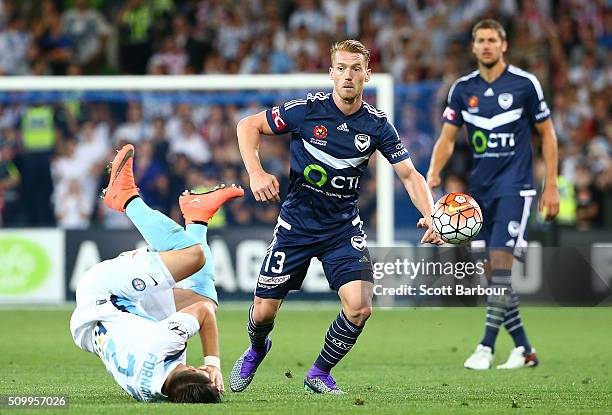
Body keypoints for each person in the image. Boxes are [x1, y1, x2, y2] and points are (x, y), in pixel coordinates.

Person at [231, 39, 442, 394]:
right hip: (295, 226)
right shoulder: (306, 110)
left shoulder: (376, 125)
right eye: (341, 68)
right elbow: (247, 126)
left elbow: (409, 174)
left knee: (360, 306)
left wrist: (431, 215)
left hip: (341, 228)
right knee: (264, 312)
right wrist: (256, 172)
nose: (348, 75)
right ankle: (256, 348)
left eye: (356, 69)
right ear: (331, 73)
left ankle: (319, 373)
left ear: (367, 75)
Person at [426, 19, 560, 370]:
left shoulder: (524, 85)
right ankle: (525, 350)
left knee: (499, 269)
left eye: (492, 40)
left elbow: (547, 135)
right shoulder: (462, 89)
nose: (486, 46)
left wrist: (552, 186)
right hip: (478, 196)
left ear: (503, 45)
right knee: (491, 274)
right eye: (480, 40)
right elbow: (447, 138)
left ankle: (485, 347)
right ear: (473, 47)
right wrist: (434, 172)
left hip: (516, 189)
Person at [70, 144, 244, 402]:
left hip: (104, 293)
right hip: (101, 325)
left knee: (192, 255)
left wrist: (213, 364)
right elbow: (205, 308)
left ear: (196, 370)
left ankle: (125, 197)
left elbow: (201, 317)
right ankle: (197, 215)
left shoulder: (164, 342)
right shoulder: (151, 392)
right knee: (204, 299)